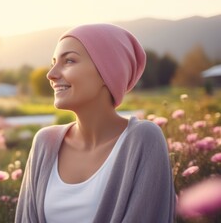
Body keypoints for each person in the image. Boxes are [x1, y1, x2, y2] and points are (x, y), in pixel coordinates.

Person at [15, 24, 176, 223]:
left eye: (69, 61)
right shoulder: (44, 142)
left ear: (108, 71)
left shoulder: (143, 139)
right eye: (53, 63)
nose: (51, 74)